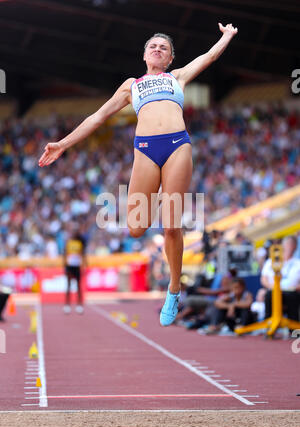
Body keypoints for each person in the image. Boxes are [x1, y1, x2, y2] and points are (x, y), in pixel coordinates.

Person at [38, 23, 238, 326]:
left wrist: (226, 36)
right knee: (135, 228)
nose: (157, 49)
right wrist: (63, 144)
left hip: (176, 145)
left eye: (164, 48)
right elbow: (98, 117)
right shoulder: (131, 85)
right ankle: (160, 194)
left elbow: (209, 57)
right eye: (153, 46)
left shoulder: (177, 77)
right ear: (144, 55)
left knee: (172, 226)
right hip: (145, 150)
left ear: (170, 59)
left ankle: (174, 288)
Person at [261, 235, 300, 322]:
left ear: (295, 247)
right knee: (269, 295)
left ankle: (294, 329)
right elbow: (264, 278)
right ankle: (269, 324)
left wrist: (295, 288)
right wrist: (270, 287)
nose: (289, 246)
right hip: (273, 290)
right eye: (288, 244)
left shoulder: (298, 263)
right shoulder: (271, 261)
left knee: (292, 298)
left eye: (292, 244)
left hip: (292, 293)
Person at [63, 232, 87, 314]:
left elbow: (82, 254)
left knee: (78, 286)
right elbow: (65, 254)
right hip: (70, 266)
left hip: (77, 266)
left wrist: (84, 266)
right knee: (68, 286)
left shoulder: (79, 244)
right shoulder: (68, 243)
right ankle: (67, 305)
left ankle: (79, 305)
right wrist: (65, 266)